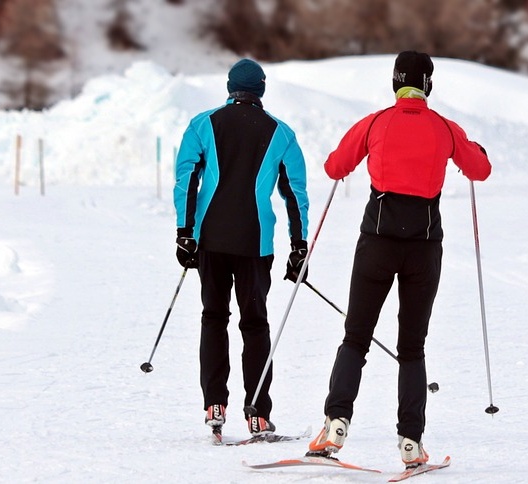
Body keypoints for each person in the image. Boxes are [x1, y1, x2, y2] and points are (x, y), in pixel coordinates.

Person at [307, 51, 492, 467]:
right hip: (424, 249)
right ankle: (411, 441)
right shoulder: (445, 128)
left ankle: (335, 423)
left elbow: (334, 167)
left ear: (395, 82)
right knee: (412, 347)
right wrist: (475, 149)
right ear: (428, 85)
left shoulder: (376, 123)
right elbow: (480, 170)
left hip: (377, 243)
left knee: (356, 336)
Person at [173, 58, 310, 438]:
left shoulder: (202, 124)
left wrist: (185, 233)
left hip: (211, 240)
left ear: (230, 87)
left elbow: (187, 179)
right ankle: (258, 414)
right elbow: (295, 194)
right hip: (255, 243)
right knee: (255, 324)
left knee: (214, 317)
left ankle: (214, 404)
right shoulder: (281, 133)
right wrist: (299, 246)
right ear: (261, 89)